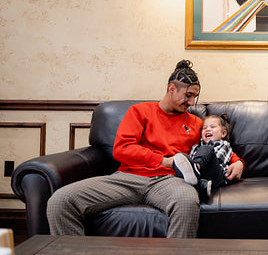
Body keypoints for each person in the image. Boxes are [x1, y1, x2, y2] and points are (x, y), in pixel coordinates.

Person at [46, 60, 244, 238]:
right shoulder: (140, 111)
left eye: (195, 97)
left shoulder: (195, 122)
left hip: (169, 181)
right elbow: (122, 149)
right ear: (171, 88)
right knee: (61, 201)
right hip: (128, 177)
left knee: (186, 201)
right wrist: (164, 160)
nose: (192, 102)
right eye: (188, 95)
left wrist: (238, 163)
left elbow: (214, 146)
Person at [172, 113, 234, 198]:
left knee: (207, 149)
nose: (207, 129)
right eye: (204, 128)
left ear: (223, 133)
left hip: (215, 177)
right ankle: (200, 184)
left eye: (212, 127)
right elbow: (189, 162)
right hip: (199, 176)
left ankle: (196, 173)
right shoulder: (196, 147)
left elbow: (218, 158)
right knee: (178, 158)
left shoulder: (224, 144)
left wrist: (195, 166)